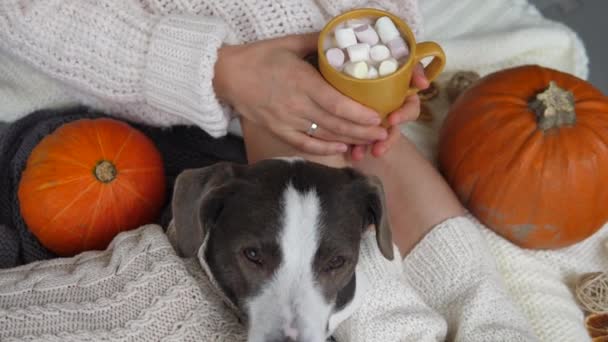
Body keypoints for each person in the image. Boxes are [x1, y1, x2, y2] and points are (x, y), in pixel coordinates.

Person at [0, 0, 538, 340]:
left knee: (362, 138)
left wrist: (383, 42)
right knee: (326, 157)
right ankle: (387, 318)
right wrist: (220, 70)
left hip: (314, 75)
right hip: (152, 72)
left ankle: (485, 310)